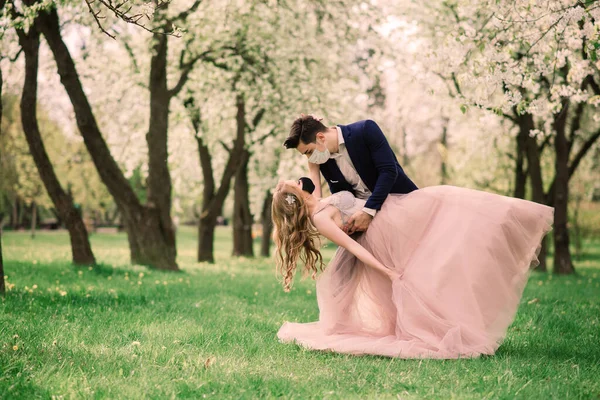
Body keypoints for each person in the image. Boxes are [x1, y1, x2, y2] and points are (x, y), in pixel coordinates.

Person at [271, 179, 553, 359]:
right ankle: (447, 326)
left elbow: (313, 171)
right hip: (385, 233)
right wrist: (387, 271)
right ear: (295, 196)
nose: (298, 180)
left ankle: (521, 219)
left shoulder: (318, 201)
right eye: (293, 183)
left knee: (452, 202)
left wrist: (313, 131)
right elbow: (354, 247)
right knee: (441, 243)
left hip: (394, 212)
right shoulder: (319, 218)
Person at [283, 115, 417, 235]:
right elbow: (339, 194)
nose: (310, 158)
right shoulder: (324, 159)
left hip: (400, 202)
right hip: (368, 225)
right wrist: (314, 168)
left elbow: (388, 171)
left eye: (309, 152)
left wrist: (368, 211)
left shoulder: (365, 130)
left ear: (321, 137)